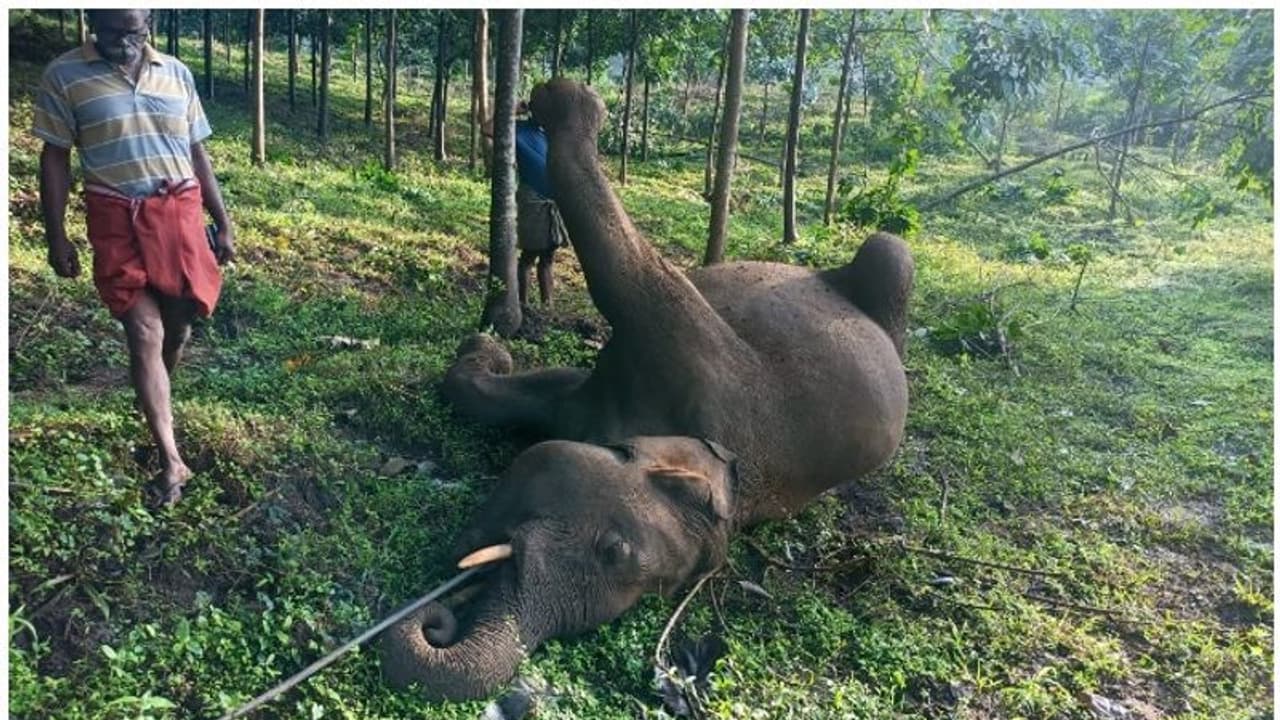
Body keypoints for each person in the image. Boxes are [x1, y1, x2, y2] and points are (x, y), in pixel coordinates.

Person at [34, 9, 234, 507]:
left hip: (179, 216)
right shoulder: (64, 74)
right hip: (116, 218)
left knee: (177, 330)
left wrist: (223, 221)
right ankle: (171, 458)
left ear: (149, 25)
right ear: (91, 22)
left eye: (132, 31)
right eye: (109, 30)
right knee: (144, 331)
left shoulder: (176, 73)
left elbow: (197, 153)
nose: (121, 41)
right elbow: (54, 157)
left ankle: (153, 402)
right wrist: (56, 235)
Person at [484, 104, 570, 307]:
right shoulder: (518, 128)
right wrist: (512, 110)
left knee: (548, 257)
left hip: (553, 201)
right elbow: (487, 129)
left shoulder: (552, 133)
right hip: (532, 199)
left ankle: (547, 305)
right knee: (529, 255)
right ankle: (523, 304)